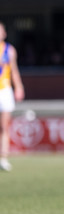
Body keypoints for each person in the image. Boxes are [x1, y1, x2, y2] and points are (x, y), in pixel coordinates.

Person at [0, 22, 25, 171]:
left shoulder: (9, 50)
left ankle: (3, 158)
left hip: (4, 91)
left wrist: (19, 87)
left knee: (4, 126)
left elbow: (14, 70)